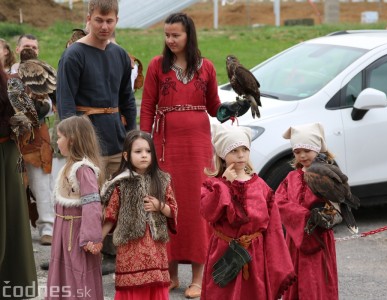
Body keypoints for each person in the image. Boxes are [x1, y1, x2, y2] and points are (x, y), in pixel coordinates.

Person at [140, 12, 251, 298]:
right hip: (165, 145)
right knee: (167, 204)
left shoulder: (207, 68)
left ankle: (199, 278)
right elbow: (147, 107)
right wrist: (143, 143)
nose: (170, 39)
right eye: (167, 35)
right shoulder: (156, 65)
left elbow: (214, 106)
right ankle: (171, 274)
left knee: (197, 208)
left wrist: (233, 109)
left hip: (198, 147)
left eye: (175, 35)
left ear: (189, 35)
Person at [56, 0, 137, 274]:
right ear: (89, 18)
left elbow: (127, 99)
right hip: (87, 142)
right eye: (99, 20)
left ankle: (116, 254)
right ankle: (86, 255)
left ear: (116, 20)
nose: (104, 26)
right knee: (90, 201)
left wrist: (132, 137)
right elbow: (65, 104)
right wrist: (72, 144)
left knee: (119, 197)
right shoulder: (73, 56)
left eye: (110, 20)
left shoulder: (120, 55)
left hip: (116, 137)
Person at [200, 124, 296, 300]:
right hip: (224, 252)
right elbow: (208, 213)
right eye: (234, 150)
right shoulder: (213, 185)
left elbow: (273, 228)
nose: (240, 155)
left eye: (244, 149)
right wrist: (224, 185)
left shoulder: (261, 187)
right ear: (222, 155)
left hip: (254, 256)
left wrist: (276, 263)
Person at [100, 130, 178, 299]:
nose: (144, 155)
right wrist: (98, 239)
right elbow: (110, 215)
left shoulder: (162, 179)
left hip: (155, 247)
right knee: (131, 285)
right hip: (130, 246)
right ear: (126, 156)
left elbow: (173, 211)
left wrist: (160, 206)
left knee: (155, 283)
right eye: (138, 151)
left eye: (148, 151)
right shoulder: (121, 182)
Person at [275, 123, 340, 300]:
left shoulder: (326, 175)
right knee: (297, 279)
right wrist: (303, 216)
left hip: (319, 239)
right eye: (297, 152)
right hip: (295, 240)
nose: (302, 155)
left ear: (317, 149)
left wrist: (328, 215)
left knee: (316, 281)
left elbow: (337, 205)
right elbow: (279, 201)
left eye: (307, 150)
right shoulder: (291, 178)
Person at [46, 115, 104, 300]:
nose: (57, 140)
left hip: (77, 234)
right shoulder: (68, 166)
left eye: (60, 136)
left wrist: (90, 237)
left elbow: (92, 204)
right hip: (63, 232)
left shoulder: (83, 169)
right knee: (63, 272)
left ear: (72, 140)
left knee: (78, 274)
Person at [10, 33, 55, 246]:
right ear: (17, 49)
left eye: (35, 47)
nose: (32, 50)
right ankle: (15, 230)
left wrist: (40, 107)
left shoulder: (44, 73)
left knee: (41, 183)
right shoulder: (7, 75)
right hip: (12, 136)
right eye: (27, 46)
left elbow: (52, 108)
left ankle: (47, 228)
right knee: (14, 185)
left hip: (38, 134)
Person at [0, 61, 38, 299]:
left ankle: (13, 281)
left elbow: (37, 114)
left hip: (6, 153)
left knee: (12, 216)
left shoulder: (8, 83)